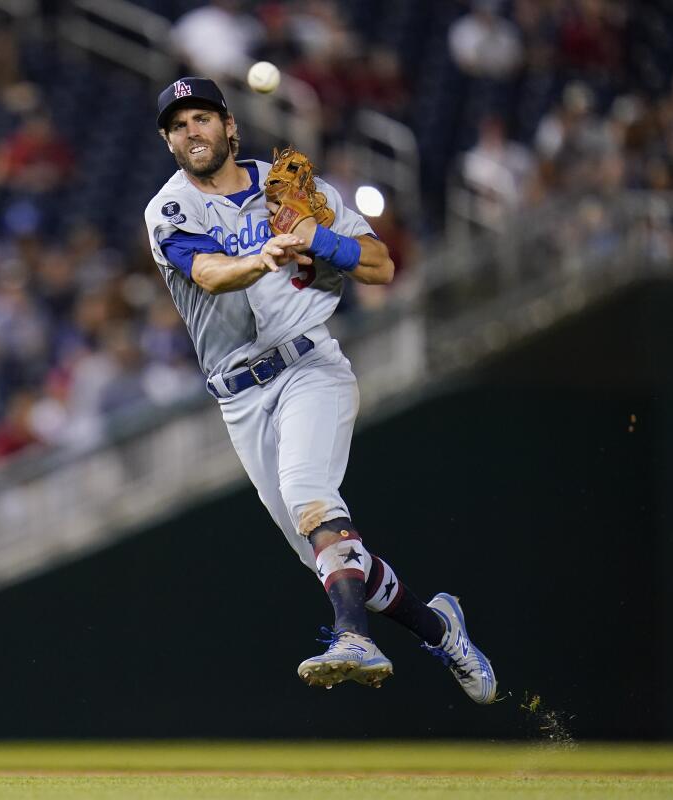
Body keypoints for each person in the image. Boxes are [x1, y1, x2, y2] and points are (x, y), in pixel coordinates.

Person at [143, 77, 496, 701]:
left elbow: (382, 265)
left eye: (202, 117)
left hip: (310, 367)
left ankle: (354, 639)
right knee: (329, 558)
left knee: (309, 495)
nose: (191, 130)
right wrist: (265, 254)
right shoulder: (171, 207)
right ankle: (440, 629)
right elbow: (208, 271)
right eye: (178, 124)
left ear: (230, 126)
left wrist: (318, 237)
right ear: (168, 141)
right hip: (240, 397)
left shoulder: (299, 191)